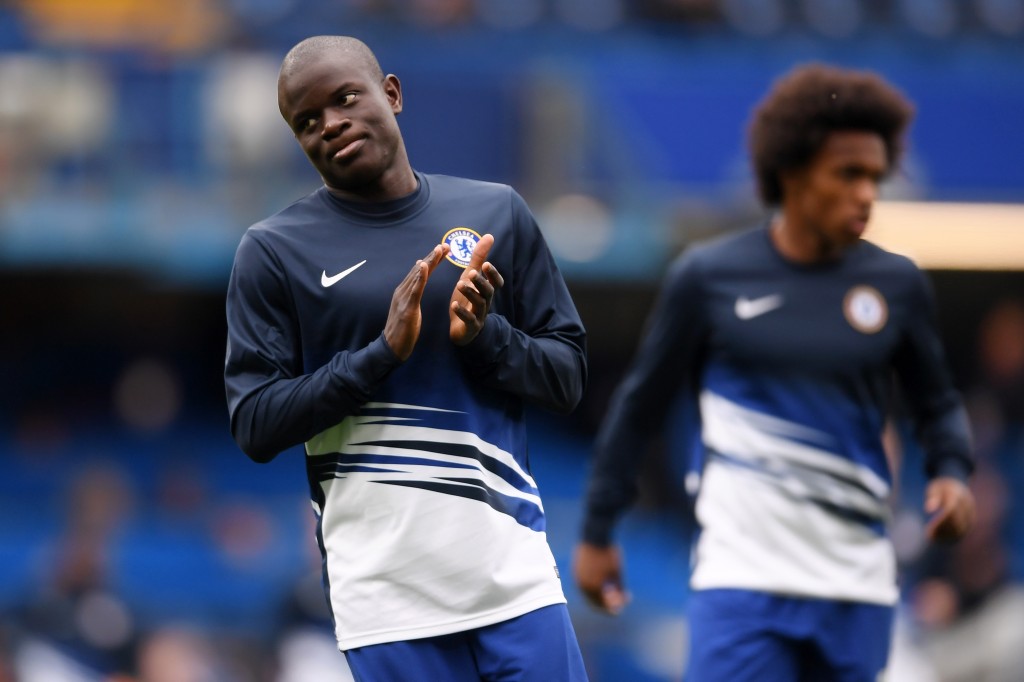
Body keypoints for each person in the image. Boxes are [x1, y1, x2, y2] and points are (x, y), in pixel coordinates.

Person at [573, 63, 976, 681]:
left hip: (856, 585)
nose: (867, 193)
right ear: (792, 173)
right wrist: (598, 531)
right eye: (848, 174)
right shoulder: (709, 277)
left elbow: (938, 403)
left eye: (874, 176)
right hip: (741, 581)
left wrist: (951, 472)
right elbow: (639, 407)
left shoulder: (897, 284)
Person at [223, 35, 589, 682]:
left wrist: (484, 337)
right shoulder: (274, 251)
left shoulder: (495, 212)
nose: (330, 124)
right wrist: (380, 356)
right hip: (385, 603)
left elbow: (567, 378)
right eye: (306, 122)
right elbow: (255, 423)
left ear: (391, 94)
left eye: (345, 99)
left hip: (515, 582)